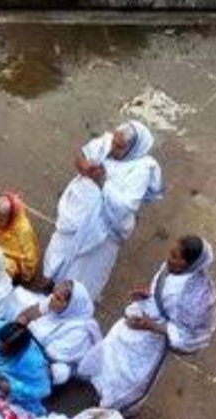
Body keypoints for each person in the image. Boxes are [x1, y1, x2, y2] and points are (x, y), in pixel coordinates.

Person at [79, 235, 216, 414]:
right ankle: (102, 386)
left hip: (156, 338)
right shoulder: (170, 268)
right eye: (171, 252)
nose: (169, 259)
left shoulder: (197, 297)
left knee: (133, 375)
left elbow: (190, 334)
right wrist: (147, 294)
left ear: (189, 263)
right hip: (143, 317)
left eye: (176, 257)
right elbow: (161, 291)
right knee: (114, 347)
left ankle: (115, 405)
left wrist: (151, 326)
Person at [44, 120, 163, 301]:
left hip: (103, 228)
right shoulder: (108, 141)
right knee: (60, 248)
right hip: (77, 212)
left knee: (84, 267)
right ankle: (52, 279)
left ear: (133, 149)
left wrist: (103, 181)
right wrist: (85, 167)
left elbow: (125, 206)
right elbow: (81, 155)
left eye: (119, 146)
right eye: (114, 141)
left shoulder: (141, 170)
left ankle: (71, 299)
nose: (112, 147)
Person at [15, 280, 102, 385]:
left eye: (58, 298)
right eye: (54, 293)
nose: (52, 298)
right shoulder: (54, 301)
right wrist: (18, 326)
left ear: (69, 306)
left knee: (60, 371)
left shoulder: (79, 333)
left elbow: (48, 356)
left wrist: (19, 340)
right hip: (38, 344)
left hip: (57, 360)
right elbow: (29, 313)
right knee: (18, 297)